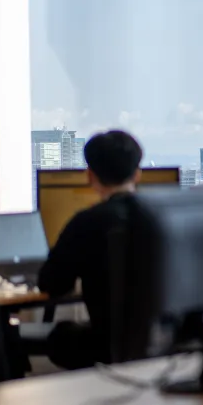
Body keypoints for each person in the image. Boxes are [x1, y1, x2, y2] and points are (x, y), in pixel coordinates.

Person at [38, 130, 143, 370]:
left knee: (60, 338)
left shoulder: (87, 222)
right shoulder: (163, 217)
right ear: (137, 174)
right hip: (163, 337)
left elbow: (52, 283)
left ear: (90, 176)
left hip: (107, 342)